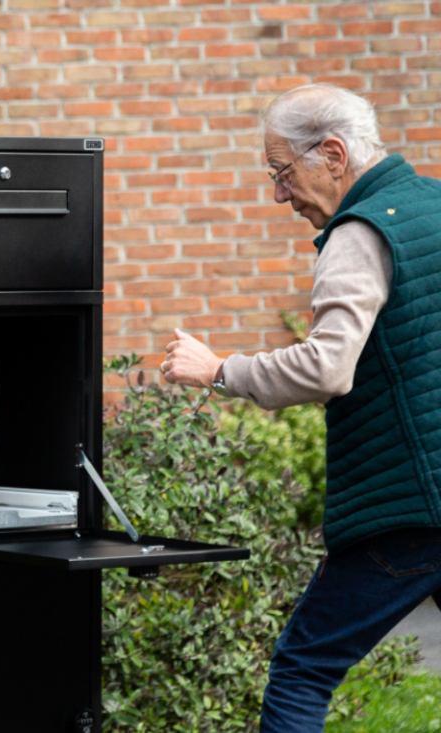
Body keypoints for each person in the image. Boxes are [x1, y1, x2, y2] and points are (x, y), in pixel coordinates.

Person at [159, 83, 441, 732]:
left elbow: (325, 367)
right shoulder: (434, 205)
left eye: (282, 172)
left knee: (302, 668)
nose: (278, 194)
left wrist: (220, 369)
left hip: (405, 508)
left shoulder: (359, 234)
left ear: (334, 154)